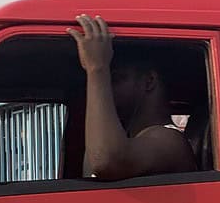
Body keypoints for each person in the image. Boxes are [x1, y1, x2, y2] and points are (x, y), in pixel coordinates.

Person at [68, 14, 196, 180]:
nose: (107, 89)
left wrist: (97, 69)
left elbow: (106, 162)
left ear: (149, 81)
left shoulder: (169, 140)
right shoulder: (133, 139)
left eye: (116, 79)